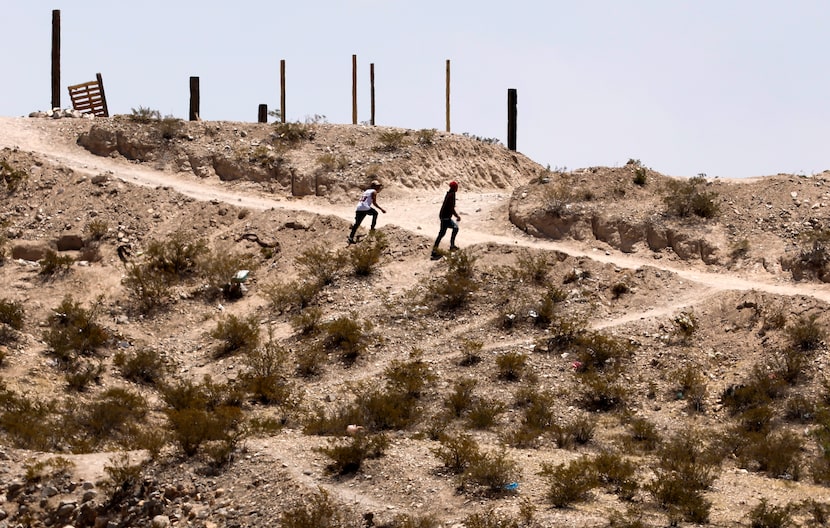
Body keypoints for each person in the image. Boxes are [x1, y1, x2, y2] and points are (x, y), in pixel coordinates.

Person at [431, 180, 461, 259]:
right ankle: (451, 246)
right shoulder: (451, 195)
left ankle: (435, 250)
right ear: (455, 188)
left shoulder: (449, 194)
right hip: (445, 217)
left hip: (444, 216)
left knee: (442, 233)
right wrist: (457, 216)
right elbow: (451, 208)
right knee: (455, 228)